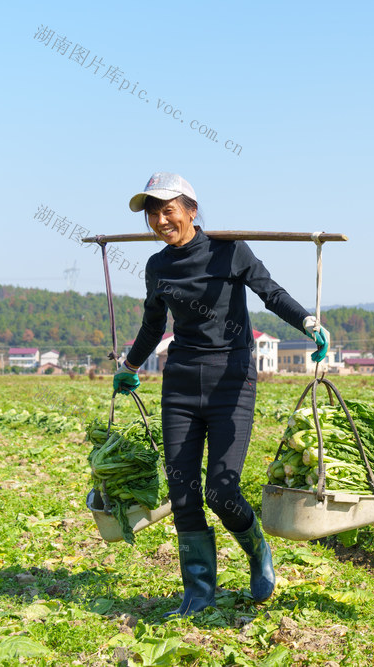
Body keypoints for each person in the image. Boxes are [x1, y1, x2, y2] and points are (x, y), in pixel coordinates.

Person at [113, 172, 331, 616]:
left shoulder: (229, 252)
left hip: (231, 380)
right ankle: (198, 591)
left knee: (221, 490)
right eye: (152, 213)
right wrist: (130, 365)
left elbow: (270, 293)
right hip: (180, 383)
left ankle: (256, 551)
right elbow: (153, 325)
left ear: (191, 210)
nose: (159, 220)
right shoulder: (158, 267)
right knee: (184, 492)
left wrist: (308, 323)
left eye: (167, 209)